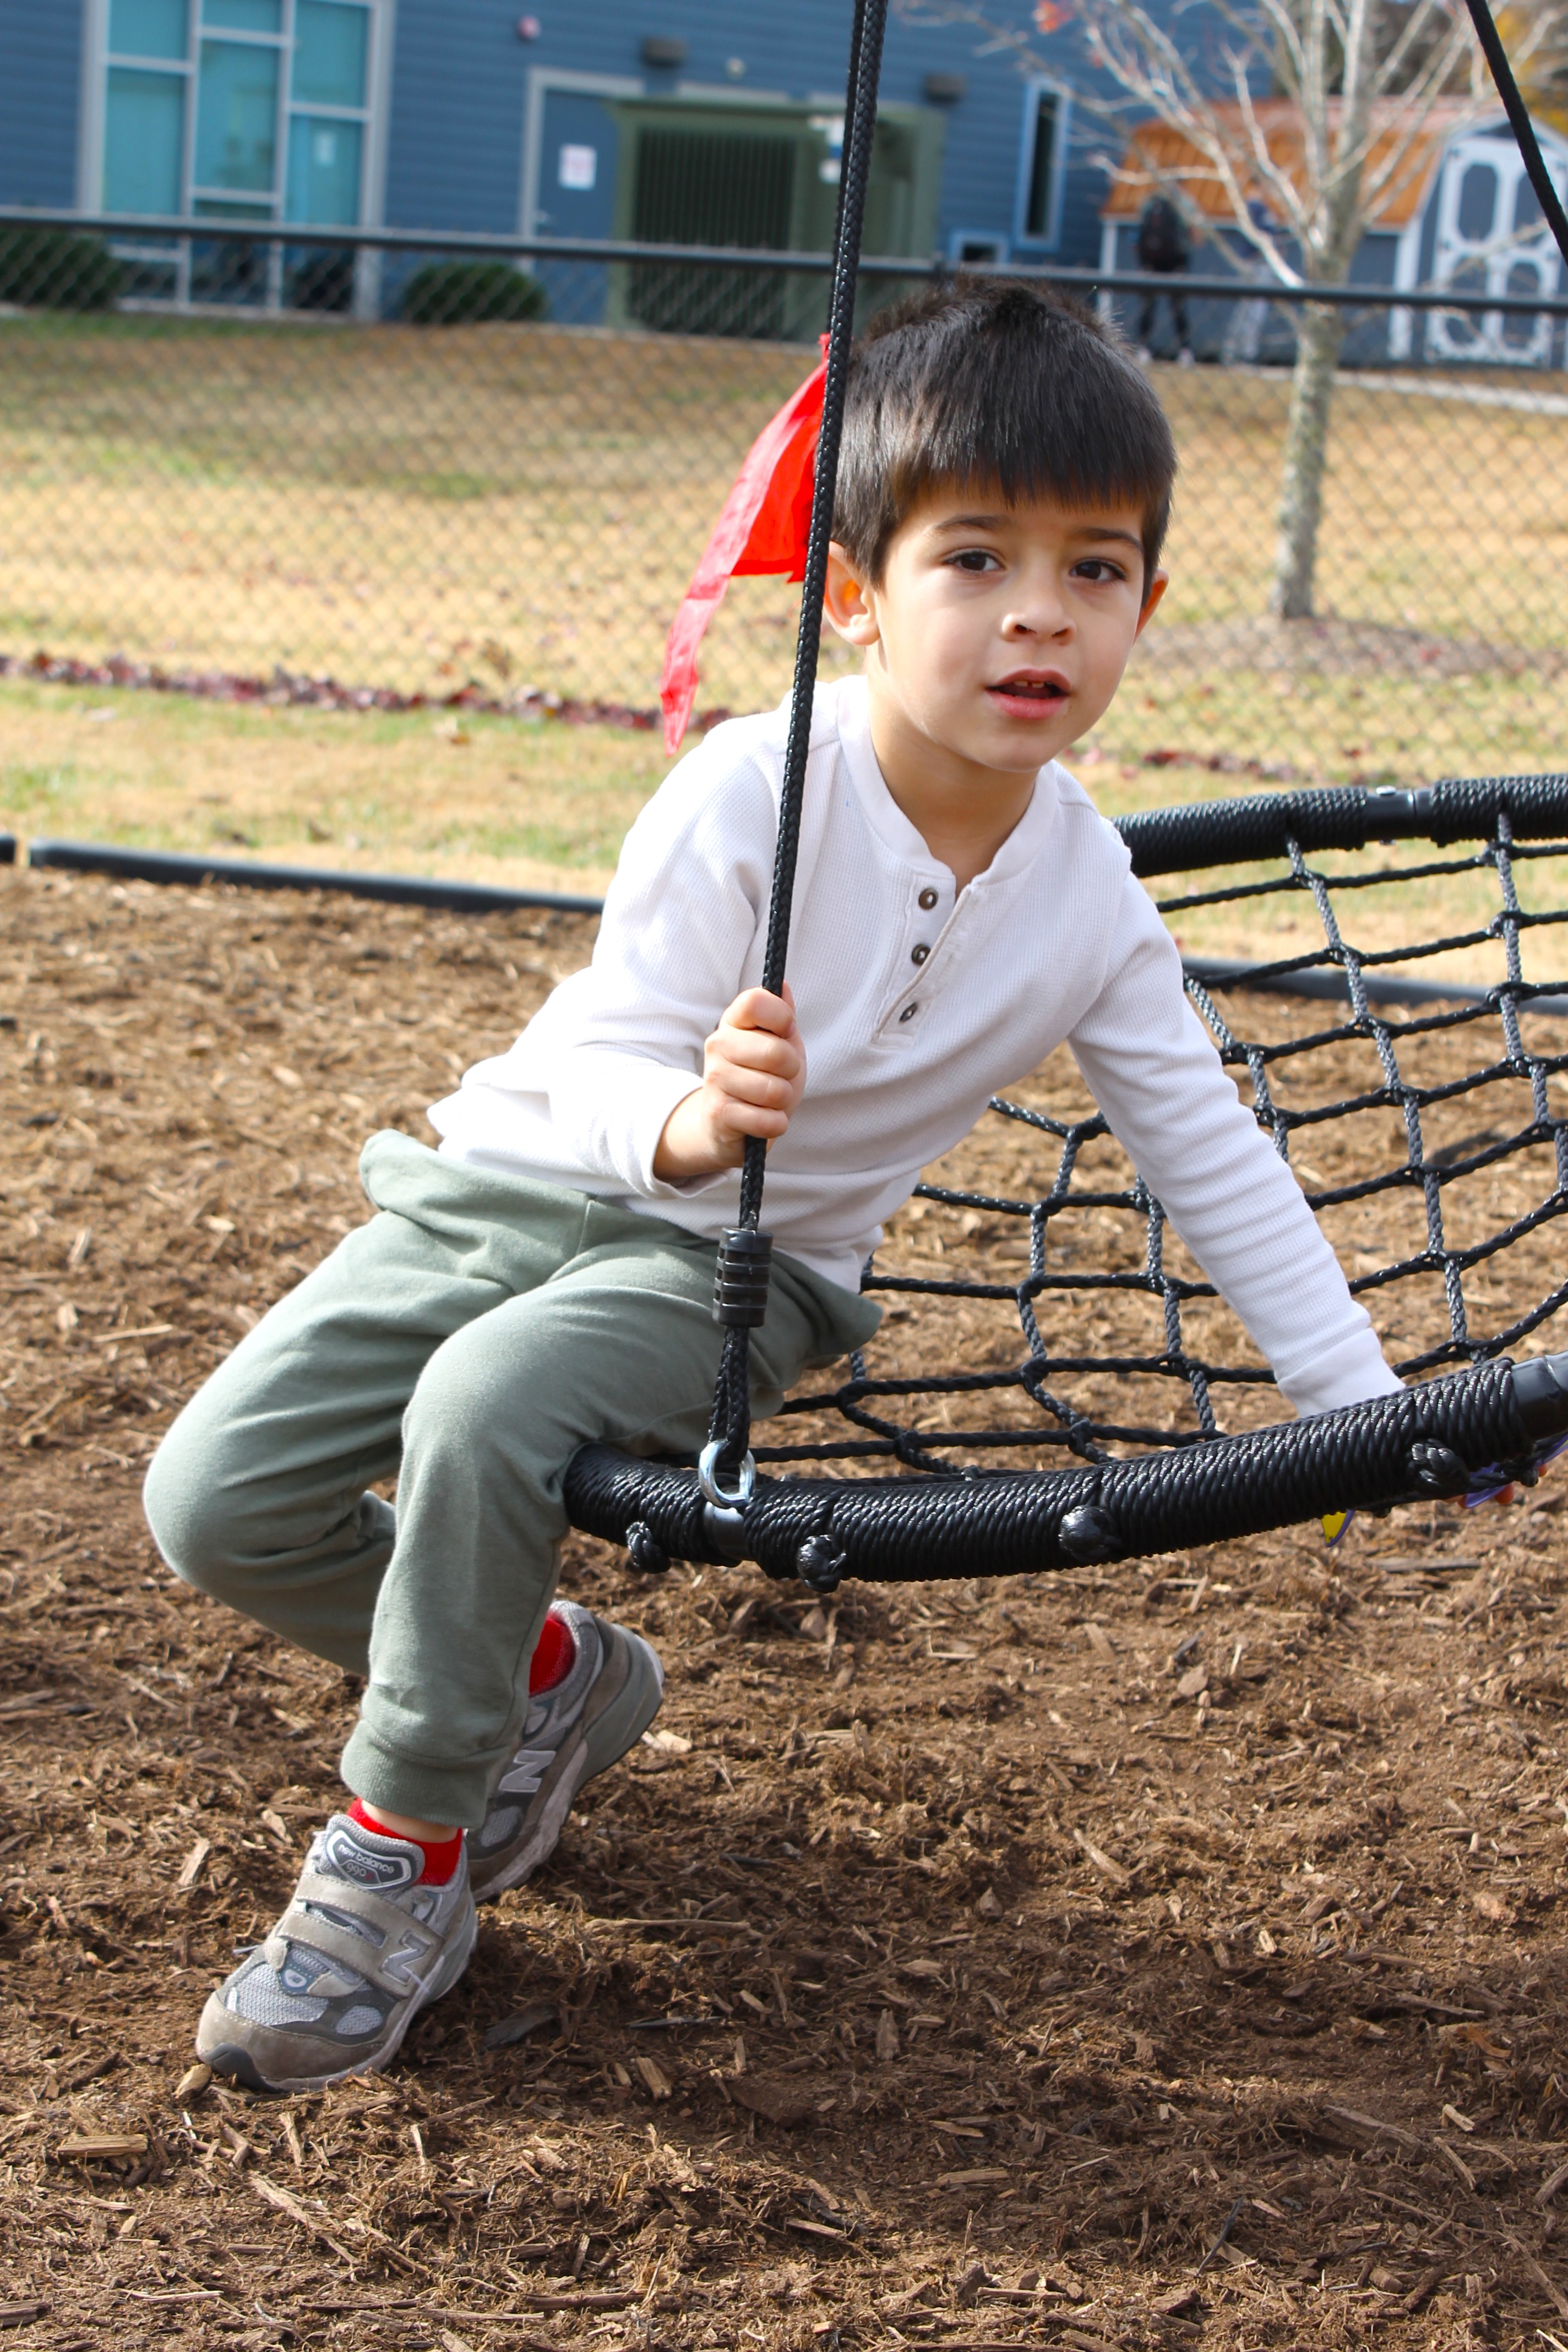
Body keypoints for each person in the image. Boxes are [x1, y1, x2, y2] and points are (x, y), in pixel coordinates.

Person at [143, 279, 1401, 2094]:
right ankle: (548, 1675)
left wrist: (1352, 1410)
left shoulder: (1090, 899)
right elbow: (596, 1057)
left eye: (1095, 569)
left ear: (1139, 603)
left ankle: (400, 1856)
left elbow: (1205, 1147)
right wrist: (679, 1124)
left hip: (740, 1278)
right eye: (973, 559)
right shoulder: (750, 790)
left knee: (482, 1406)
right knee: (215, 1500)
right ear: (858, 598)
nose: (1036, 611)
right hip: (512, 1183)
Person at [1134, 193, 1194, 365]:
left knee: (1148, 308)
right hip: (1175, 266)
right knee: (1179, 309)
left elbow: (1138, 236)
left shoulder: (1149, 204)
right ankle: (1185, 351)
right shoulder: (1185, 204)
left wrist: (1143, 263)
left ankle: (1144, 349)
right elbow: (1194, 237)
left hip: (1151, 266)